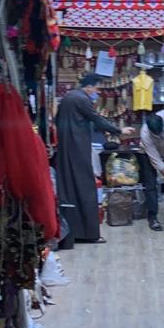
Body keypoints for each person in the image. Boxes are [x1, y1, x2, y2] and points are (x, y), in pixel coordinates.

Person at [55, 73, 134, 243]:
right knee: (87, 187)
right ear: (89, 87)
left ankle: (73, 233)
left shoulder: (69, 97)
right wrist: (119, 130)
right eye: (97, 89)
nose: (98, 93)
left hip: (67, 148)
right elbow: (97, 120)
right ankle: (89, 234)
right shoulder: (82, 99)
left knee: (70, 188)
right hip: (77, 148)